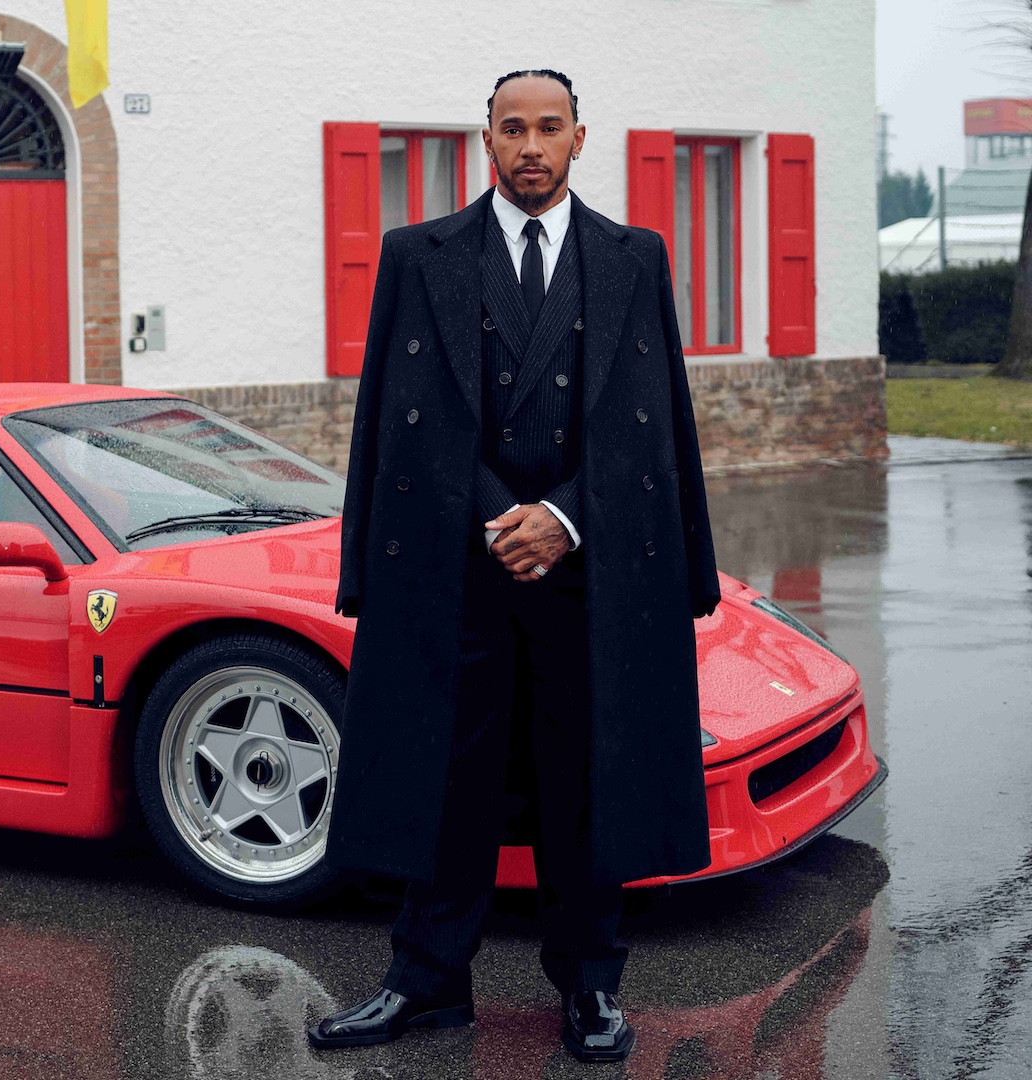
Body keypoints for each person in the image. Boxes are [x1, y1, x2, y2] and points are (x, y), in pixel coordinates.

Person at [309, 69, 721, 1064]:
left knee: (586, 775)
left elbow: (651, 423)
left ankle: (589, 985)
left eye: (548, 127)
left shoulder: (634, 257)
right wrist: (501, 517)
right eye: (512, 129)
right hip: (458, 566)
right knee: (445, 777)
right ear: (485, 139)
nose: (530, 145)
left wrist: (565, 517)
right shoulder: (419, 254)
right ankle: (424, 982)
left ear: (580, 137)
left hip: (589, 569)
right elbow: (396, 422)